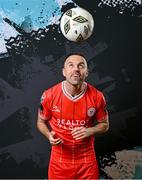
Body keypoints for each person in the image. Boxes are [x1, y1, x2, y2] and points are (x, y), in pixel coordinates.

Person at [37, 53, 109, 179]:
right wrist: (49, 135)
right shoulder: (49, 95)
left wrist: (90, 130)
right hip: (59, 160)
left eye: (81, 66)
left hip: (86, 161)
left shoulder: (97, 97)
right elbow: (40, 122)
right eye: (71, 65)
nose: (76, 69)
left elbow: (105, 125)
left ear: (86, 72)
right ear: (64, 72)